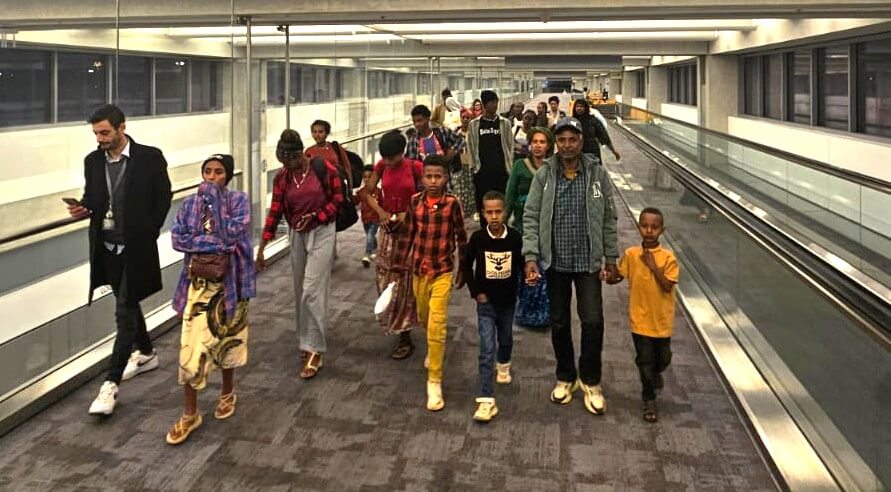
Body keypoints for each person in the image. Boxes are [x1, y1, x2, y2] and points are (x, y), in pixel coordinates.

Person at [67, 104, 172, 416]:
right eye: (96, 133)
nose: (100, 139)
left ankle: (110, 385)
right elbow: (93, 198)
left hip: (136, 247)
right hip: (107, 248)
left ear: (121, 128)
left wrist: (150, 230)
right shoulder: (92, 161)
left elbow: (163, 196)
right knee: (128, 300)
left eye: (105, 132)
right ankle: (147, 352)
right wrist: (83, 208)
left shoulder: (149, 157)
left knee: (123, 312)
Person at [523, 117, 619, 416]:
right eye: (562, 140)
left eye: (572, 139)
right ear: (556, 143)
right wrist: (530, 256)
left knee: (593, 321)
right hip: (556, 262)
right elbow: (531, 215)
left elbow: (609, 217)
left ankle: (590, 380)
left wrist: (611, 258)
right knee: (560, 322)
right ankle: (565, 376)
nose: (567, 145)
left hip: (588, 262)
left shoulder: (597, 174)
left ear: (581, 141)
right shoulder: (545, 175)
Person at [166, 154, 256, 445]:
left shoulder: (238, 201)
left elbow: (232, 236)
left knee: (229, 341)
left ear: (227, 176)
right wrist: (212, 244)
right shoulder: (189, 204)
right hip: (198, 287)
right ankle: (190, 413)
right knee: (190, 350)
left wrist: (213, 210)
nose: (212, 177)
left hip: (231, 286)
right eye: (207, 171)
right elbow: (178, 239)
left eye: (218, 172)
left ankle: (227, 392)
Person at [256, 129, 344, 379]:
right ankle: (306, 339)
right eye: (283, 163)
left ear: (299, 156)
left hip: (323, 230)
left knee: (311, 290)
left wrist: (317, 216)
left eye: (289, 162)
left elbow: (338, 200)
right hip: (297, 233)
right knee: (299, 290)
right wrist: (262, 246)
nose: (286, 167)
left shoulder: (323, 169)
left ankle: (315, 349)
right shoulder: (283, 177)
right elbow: (275, 211)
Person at [393, 154, 468, 412]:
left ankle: (434, 380)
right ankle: (432, 345)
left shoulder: (452, 204)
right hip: (418, 270)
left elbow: (461, 237)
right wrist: (398, 264)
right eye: (429, 176)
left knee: (437, 322)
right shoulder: (415, 202)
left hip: (442, 270)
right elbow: (407, 234)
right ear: (422, 178)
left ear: (446, 178)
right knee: (424, 317)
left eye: (438, 176)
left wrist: (463, 269)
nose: (433, 181)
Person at [604, 207, 678, 423]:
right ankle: (649, 399)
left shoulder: (668, 258)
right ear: (638, 227)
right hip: (639, 319)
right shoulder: (631, 254)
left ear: (662, 230)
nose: (649, 231)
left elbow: (667, 285)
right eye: (645, 226)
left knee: (663, 358)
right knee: (644, 360)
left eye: (654, 227)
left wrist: (654, 266)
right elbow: (620, 276)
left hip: (662, 320)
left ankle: (656, 373)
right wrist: (609, 276)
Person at [358, 131, 423, 359]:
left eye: (392, 157)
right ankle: (393, 318)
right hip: (388, 227)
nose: (388, 161)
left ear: (401, 152)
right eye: (384, 157)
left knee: (404, 279)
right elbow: (366, 193)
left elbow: (428, 194)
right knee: (385, 275)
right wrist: (381, 212)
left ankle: (405, 333)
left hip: (409, 229)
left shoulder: (414, 167)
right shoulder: (381, 166)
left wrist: (409, 213)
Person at [462, 191, 523, 423]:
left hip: (507, 301)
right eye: (489, 212)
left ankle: (504, 363)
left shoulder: (514, 238)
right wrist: (476, 292)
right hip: (486, 303)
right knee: (487, 348)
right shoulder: (478, 238)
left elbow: (520, 265)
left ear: (505, 212)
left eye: (498, 211)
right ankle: (486, 399)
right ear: (483, 213)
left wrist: (527, 280)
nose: (494, 216)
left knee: (505, 339)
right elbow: (466, 265)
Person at [505, 127, 552, 329]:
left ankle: (541, 315)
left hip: (545, 228)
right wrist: (501, 225)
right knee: (524, 269)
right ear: (530, 144)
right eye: (535, 142)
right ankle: (525, 312)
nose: (538, 146)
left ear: (548, 146)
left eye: (542, 142)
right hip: (522, 227)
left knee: (542, 272)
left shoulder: (552, 168)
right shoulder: (519, 166)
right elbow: (510, 196)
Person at [466, 90, 513, 227]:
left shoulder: (504, 123)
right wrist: (473, 167)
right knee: (483, 204)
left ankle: (502, 229)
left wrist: (509, 166)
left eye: (496, 102)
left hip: (501, 172)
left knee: (501, 204)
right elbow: (470, 146)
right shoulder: (474, 124)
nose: (495, 105)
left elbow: (509, 145)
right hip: (482, 173)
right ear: (484, 104)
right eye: (491, 102)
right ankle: (484, 230)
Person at [305, 119, 353, 190]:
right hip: (319, 188)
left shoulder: (335, 147)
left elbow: (347, 166)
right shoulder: (309, 151)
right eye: (314, 132)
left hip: (337, 185)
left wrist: (350, 186)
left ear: (326, 133)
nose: (317, 135)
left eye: (321, 132)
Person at [571, 98, 621, 163]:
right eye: (577, 106)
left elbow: (604, 136)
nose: (579, 108)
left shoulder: (592, 120)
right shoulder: (572, 121)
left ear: (585, 108)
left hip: (592, 150)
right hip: (576, 151)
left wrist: (613, 151)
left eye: (581, 106)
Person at [358, 164, 380, 267]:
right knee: (369, 235)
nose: (367, 180)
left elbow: (383, 204)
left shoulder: (378, 192)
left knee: (370, 235)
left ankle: (367, 254)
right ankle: (374, 248)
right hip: (365, 219)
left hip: (375, 219)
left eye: (369, 177)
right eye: (365, 177)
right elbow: (355, 200)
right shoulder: (361, 192)